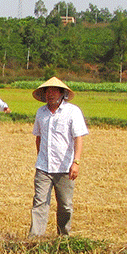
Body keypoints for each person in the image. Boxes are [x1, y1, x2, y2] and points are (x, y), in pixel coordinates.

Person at [29, 77, 88, 237]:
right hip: (43, 167)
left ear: (63, 93)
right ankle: (35, 239)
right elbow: (38, 137)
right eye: (47, 91)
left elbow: (78, 138)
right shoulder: (41, 112)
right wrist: (40, 156)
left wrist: (76, 162)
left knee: (65, 205)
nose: (50, 94)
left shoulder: (72, 111)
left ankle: (63, 237)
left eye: (54, 91)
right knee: (39, 203)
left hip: (64, 167)